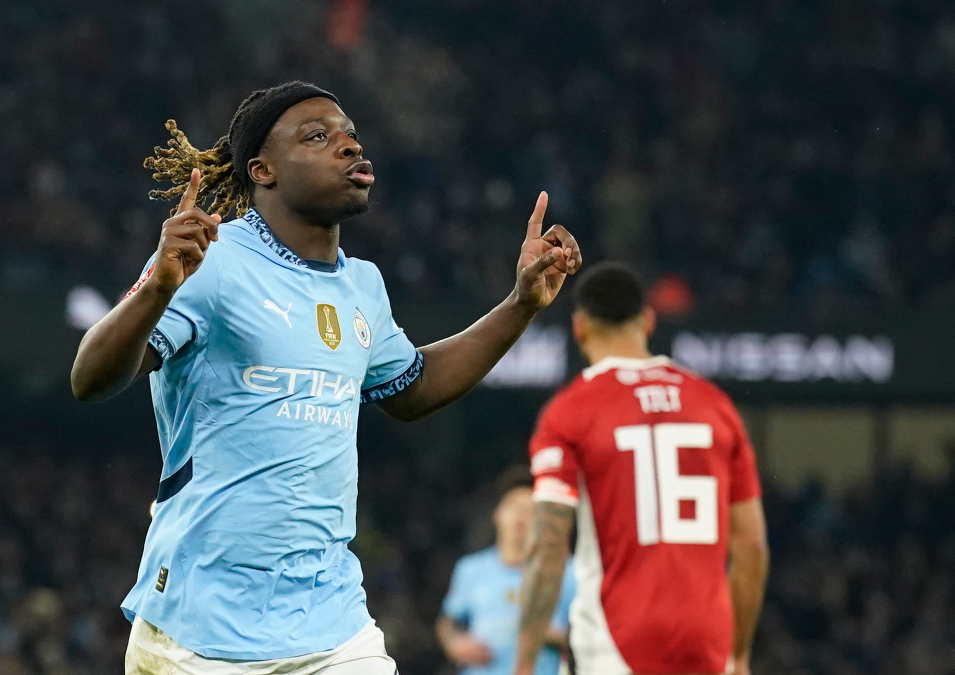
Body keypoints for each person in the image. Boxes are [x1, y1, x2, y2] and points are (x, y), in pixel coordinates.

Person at [69, 81, 582, 674]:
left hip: (331, 620)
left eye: (351, 136)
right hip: (199, 626)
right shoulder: (212, 260)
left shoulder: (362, 285)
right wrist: (156, 290)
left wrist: (519, 306)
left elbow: (411, 389)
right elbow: (92, 379)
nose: (347, 146)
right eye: (318, 137)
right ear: (263, 170)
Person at [514, 263, 769, 675]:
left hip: (613, 644)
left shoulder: (570, 412)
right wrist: (737, 654)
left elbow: (548, 545)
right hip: (707, 641)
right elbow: (751, 546)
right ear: (648, 321)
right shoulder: (716, 406)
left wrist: (523, 663)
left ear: (580, 329)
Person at [438, 466, 575, 675]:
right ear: (497, 514)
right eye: (514, 507)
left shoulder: (568, 573)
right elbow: (448, 622)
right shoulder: (470, 570)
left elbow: (591, 637)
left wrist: (546, 634)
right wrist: (454, 644)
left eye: (530, 511)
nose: (520, 518)